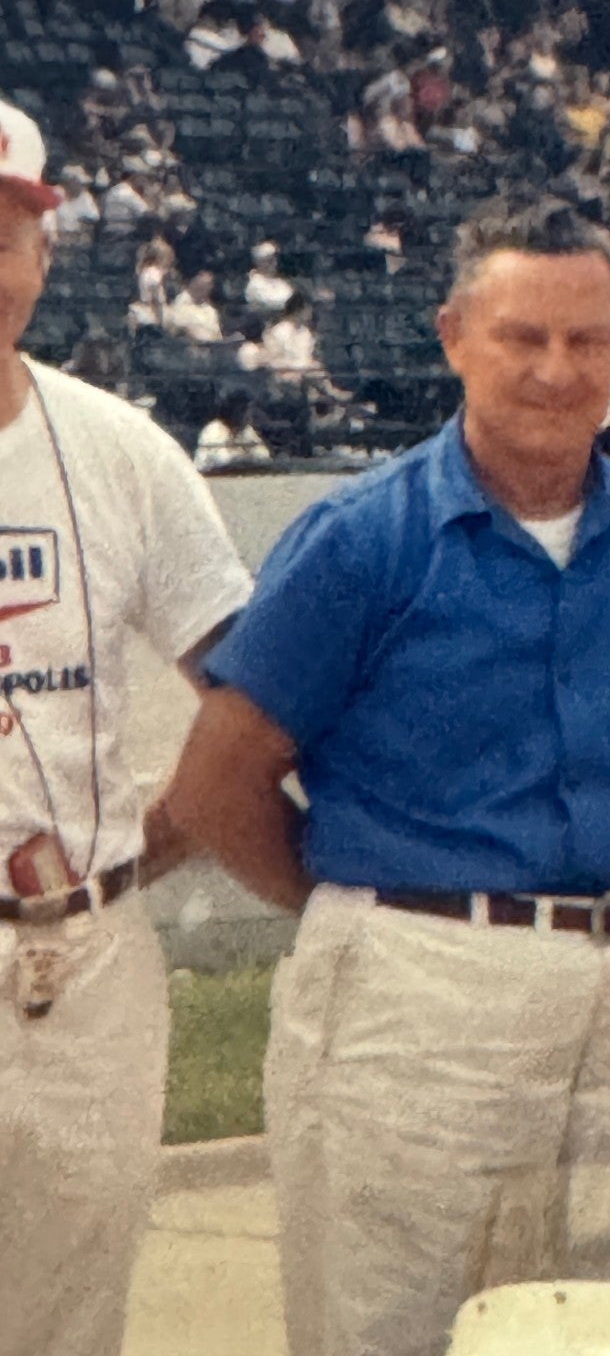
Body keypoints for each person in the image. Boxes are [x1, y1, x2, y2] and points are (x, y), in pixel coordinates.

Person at [159, 195, 610, 1356]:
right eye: (522, 337)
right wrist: (366, 908)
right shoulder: (363, 539)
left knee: (605, 1322)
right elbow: (216, 784)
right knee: (394, 1330)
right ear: (454, 335)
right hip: (414, 984)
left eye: (586, 339)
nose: (556, 371)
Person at [0, 98, 252, 1356]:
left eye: (1, 236)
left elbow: (247, 695)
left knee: (69, 1312)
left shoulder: (120, 451)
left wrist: (146, 846)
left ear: (42, 256)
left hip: (79, 961)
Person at [194, 388, 271, 472]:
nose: (247, 415)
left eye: (248, 410)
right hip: (208, 479)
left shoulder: (246, 430)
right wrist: (246, 456)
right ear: (231, 410)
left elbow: (264, 456)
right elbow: (223, 461)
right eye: (242, 409)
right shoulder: (214, 430)